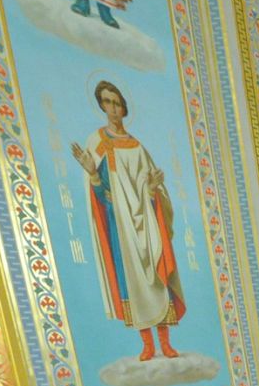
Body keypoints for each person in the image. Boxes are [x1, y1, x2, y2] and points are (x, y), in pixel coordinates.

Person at [71, 81, 187, 362]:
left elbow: (151, 188)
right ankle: (147, 345)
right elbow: (102, 194)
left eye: (116, 102)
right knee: (133, 282)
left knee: (157, 278)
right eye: (106, 103)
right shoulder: (97, 143)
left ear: (124, 107)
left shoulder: (138, 147)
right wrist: (93, 174)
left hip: (145, 222)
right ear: (101, 106)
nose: (112, 109)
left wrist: (152, 189)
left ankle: (165, 343)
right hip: (120, 224)